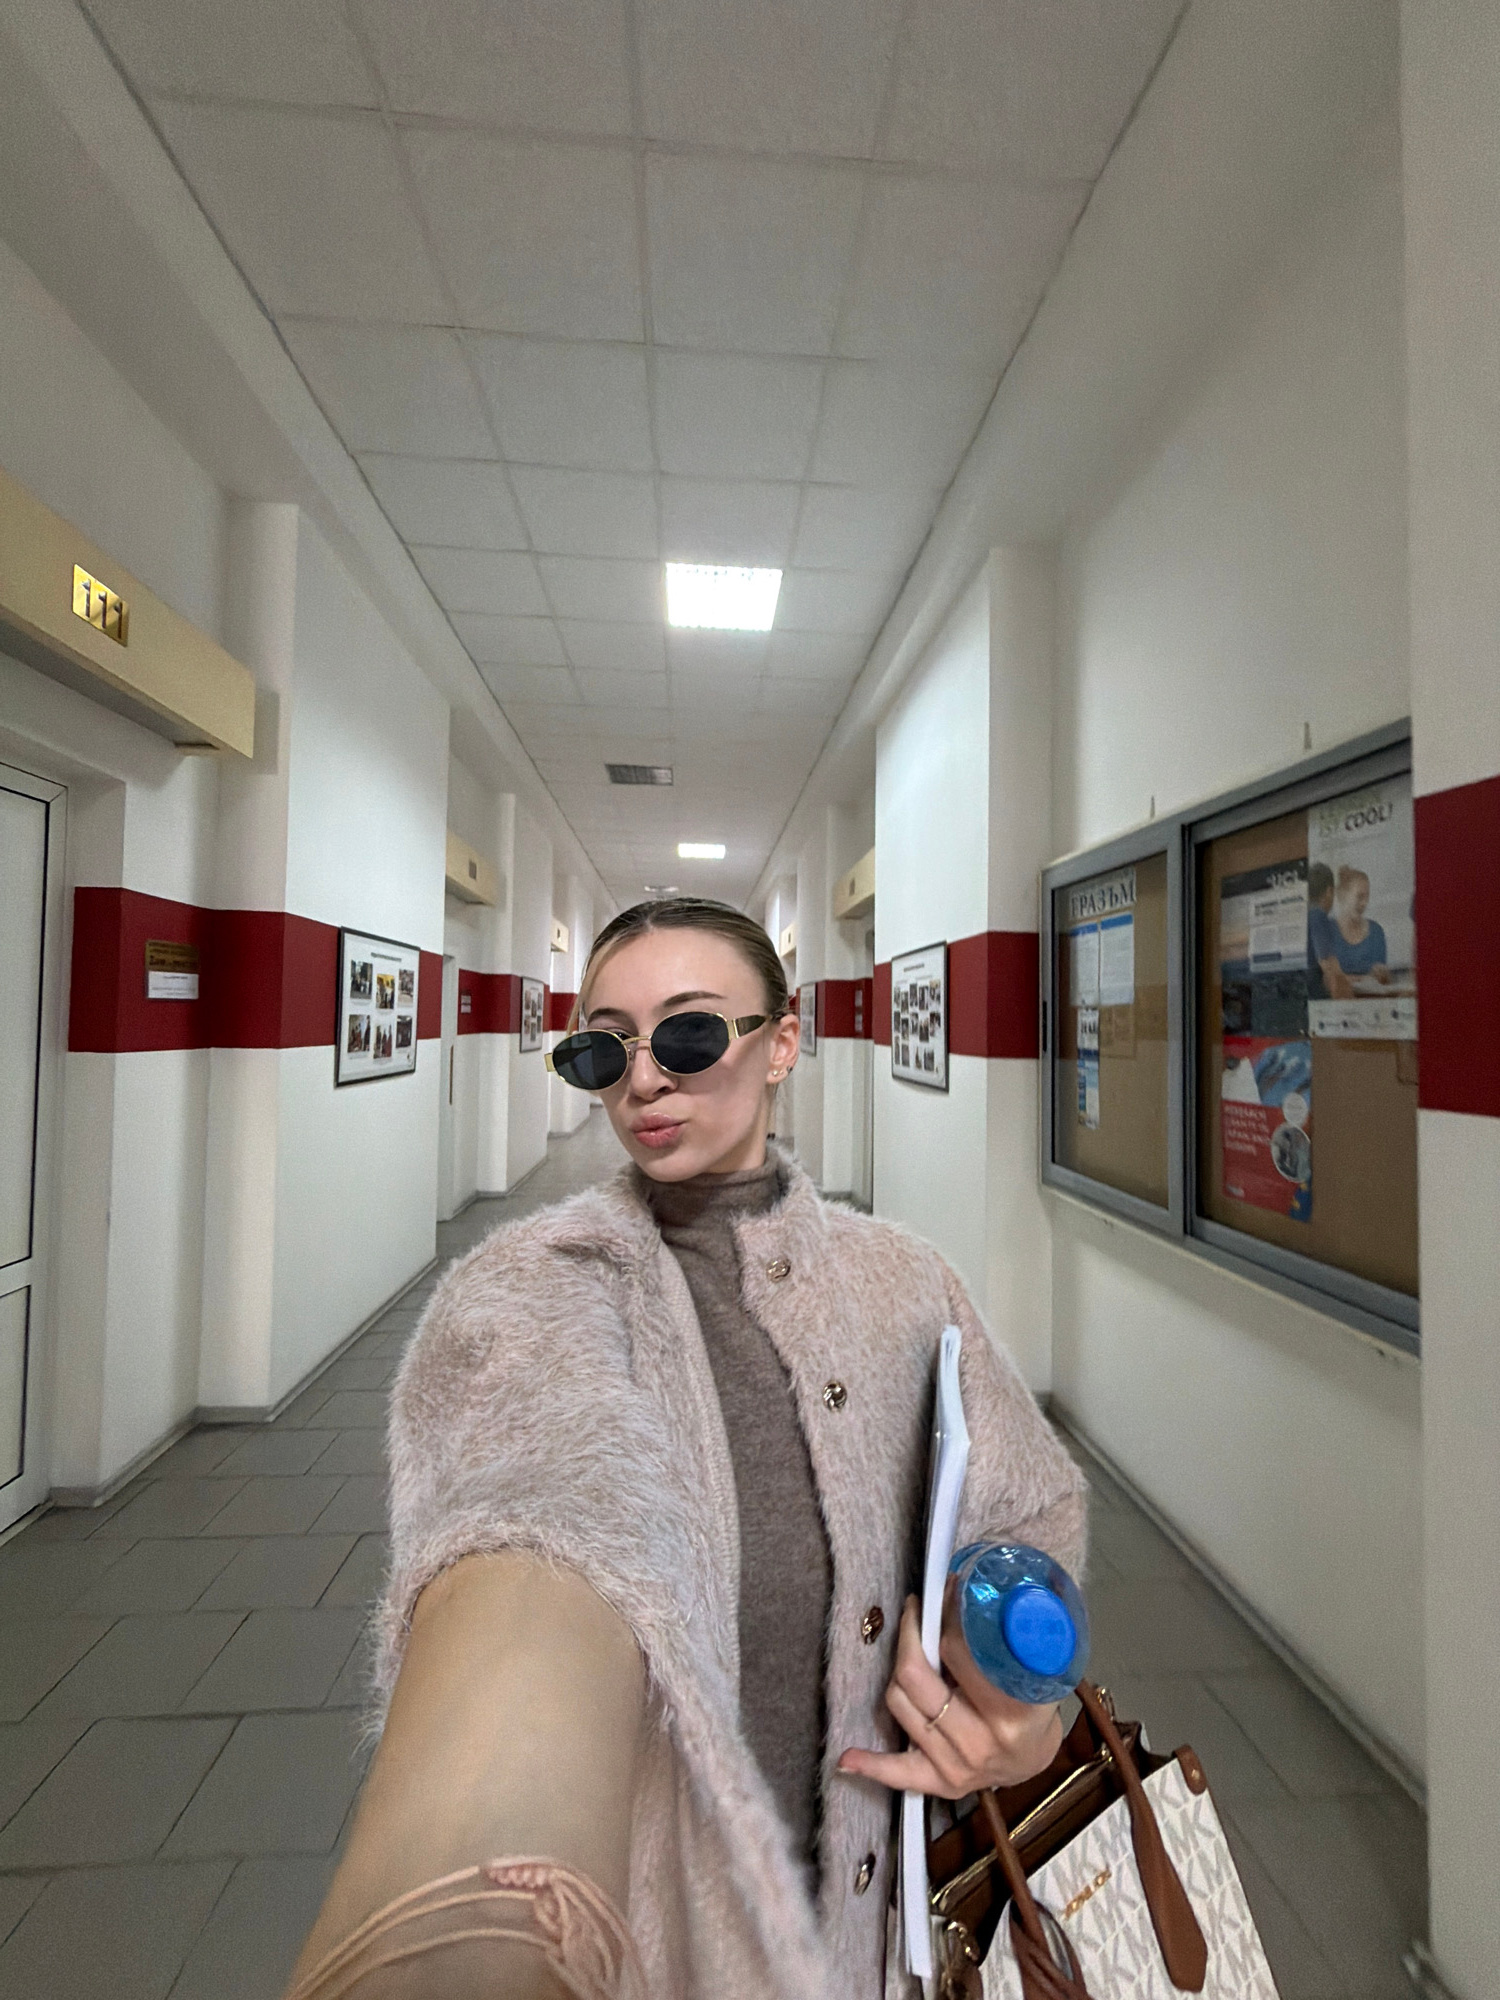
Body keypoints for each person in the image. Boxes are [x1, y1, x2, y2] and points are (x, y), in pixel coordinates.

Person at [287, 898, 1086, 2000]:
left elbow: (1026, 1509)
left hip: (883, 1938)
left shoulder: (906, 1282)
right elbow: (523, 1533)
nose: (643, 1081)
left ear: (782, 1042)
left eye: (690, 1034)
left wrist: (1017, 1712)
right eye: (604, 1047)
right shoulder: (528, 1295)